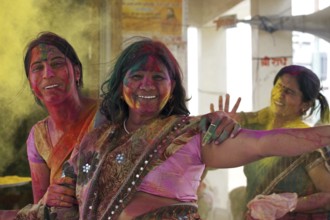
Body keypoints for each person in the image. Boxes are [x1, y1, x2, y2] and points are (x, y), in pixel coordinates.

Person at [17, 38, 330, 220]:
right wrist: (54, 198)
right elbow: (52, 206)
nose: (147, 86)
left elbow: (265, 144)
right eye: (137, 76)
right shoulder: (97, 140)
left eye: (158, 77)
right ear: (121, 83)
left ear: (173, 86)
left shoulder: (190, 134)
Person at [211, 65, 330, 219]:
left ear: (305, 105)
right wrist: (217, 135)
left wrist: (286, 204)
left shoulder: (306, 142)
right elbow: (212, 164)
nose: (279, 95)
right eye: (279, 86)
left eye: (289, 92)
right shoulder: (251, 126)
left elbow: (328, 195)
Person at [23, 32, 104, 205]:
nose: (48, 73)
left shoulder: (107, 115)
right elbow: (40, 209)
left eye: (57, 63)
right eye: (37, 68)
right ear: (30, 82)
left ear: (76, 72)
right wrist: (47, 199)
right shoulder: (38, 136)